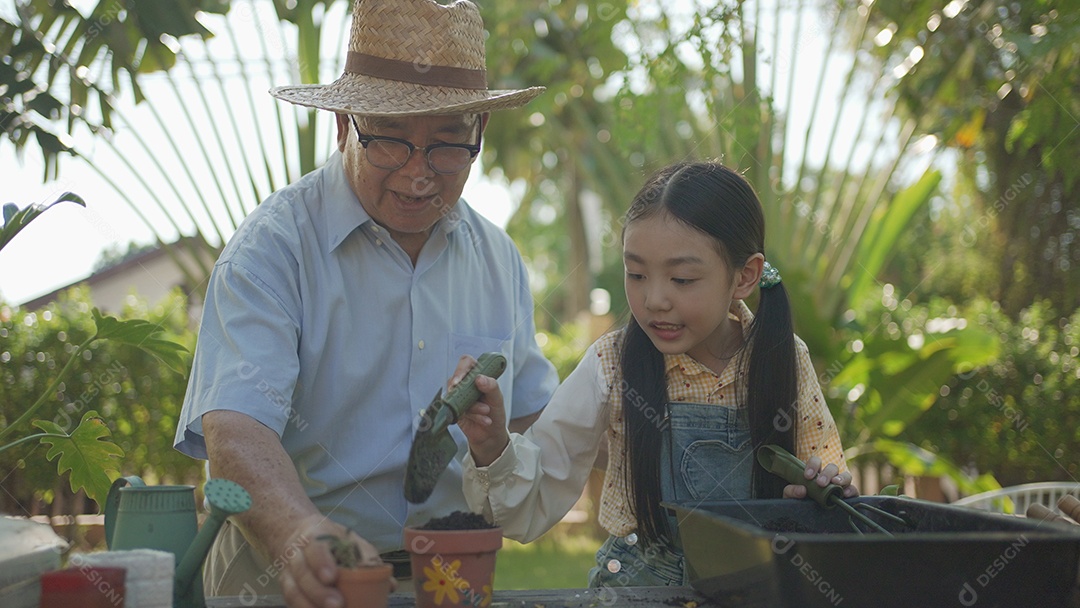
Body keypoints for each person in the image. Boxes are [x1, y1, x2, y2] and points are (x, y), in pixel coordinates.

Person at [172, 0, 558, 605]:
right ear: (343, 125)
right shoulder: (272, 249)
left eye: (448, 145)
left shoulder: (498, 258)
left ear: (480, 132)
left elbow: (536, 422)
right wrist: (298, 533)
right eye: (390, 140)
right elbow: (237, 430)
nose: (417, 174)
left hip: (451, 581)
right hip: (286, 582)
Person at [455, 161, 858, 587]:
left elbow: (824, 481)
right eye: (637, 274)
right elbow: (528, 504)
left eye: (682, 279)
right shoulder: (611, 364)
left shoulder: (784, 359)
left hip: (758, 584)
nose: (654, 300)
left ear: (745, 277)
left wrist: (817, 495)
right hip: (637, 589)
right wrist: (492, 444)